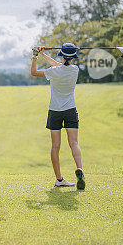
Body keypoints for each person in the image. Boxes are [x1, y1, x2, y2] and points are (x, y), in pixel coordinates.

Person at [30, 43, 86, 190]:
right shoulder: (75, 70)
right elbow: (60, 65)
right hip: (70, 110)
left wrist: (36, 56)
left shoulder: (54, 71)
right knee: (74, 143)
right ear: (73, 57)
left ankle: (59, 179)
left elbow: (34, 72)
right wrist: (44, 54)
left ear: (61, 55)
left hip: (55, 111)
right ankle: (79, 168)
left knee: (55, 146)